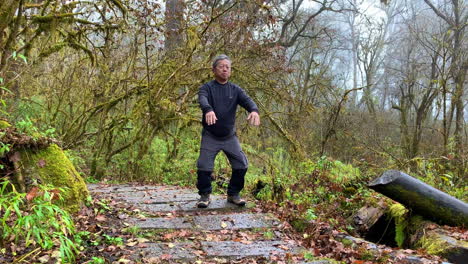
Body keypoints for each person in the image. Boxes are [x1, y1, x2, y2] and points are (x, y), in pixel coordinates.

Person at [196, 54, 260, 208]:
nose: (225, 69)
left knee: (241, 164)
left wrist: (254, 110)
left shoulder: (235, 89)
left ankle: (233, 194)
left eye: (228, 67)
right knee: (204, 166)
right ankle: (204, 196)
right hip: (210, 135)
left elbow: (248, 101)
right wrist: (208, 110)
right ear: (214, 70)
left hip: (229, 136)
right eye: (221, 66)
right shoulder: (207, 88)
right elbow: (202, 99)